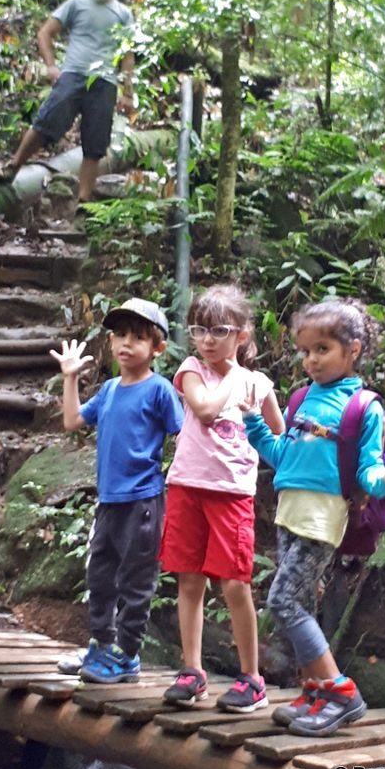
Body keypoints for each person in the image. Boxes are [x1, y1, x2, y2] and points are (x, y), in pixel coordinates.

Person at [241, 298, 385, 736]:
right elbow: (283, 456)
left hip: (321, 520)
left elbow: (367, 472)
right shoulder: (301, 398)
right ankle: (316, 689)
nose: (311, 360)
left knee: (282, 601)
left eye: (322, 349)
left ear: (353, 350)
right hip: (289, 514)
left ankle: (341, 693)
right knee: (300, 602)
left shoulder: (363, 407)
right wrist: (254, 424)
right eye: (305, 351)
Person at [160, 285, 285, 713]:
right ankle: (192, 672)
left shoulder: (258, 382)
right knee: (189, 579)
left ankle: (252, 679)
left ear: (242, 335)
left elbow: (279, 433)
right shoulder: (192, 369)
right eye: (199, 330)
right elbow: (205, 410)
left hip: (232, 493)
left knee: (234, 583)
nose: (207, 339)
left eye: (219, 330)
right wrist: (234, 376)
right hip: (187, 486)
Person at [50, 297, 183, 683]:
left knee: (136, 581)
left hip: (143, 501)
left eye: (138, 337)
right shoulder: (108, 390)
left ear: (157, 348)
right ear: (110, 342)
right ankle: (101, 645)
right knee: (100, 575)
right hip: (108, 500)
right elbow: (73, 420)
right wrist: (70, 377)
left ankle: (127, 655)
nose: (127, 343)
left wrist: (174, 482)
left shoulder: (159, 390)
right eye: (120, 335)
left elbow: (184, 435)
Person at [0, 0, 135, 203]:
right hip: (73, 75)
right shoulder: (76, 4)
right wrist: (51, 66)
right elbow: (45, 33)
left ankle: (83, 202)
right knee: (45, 122)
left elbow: (127, 54)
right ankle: (12, 167)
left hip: (105, 83)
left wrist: (128, 92)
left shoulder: (123, 14)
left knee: (94, 144)